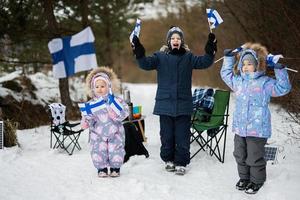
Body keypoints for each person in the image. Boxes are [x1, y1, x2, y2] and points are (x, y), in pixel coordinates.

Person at [131, 26, 217, 175]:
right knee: (167, 136)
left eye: (178, 38)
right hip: (165, 104)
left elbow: (205, 62)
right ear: (169, 41)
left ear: (182, 41)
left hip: (183, 105)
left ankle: (181, 162)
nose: (175, 40)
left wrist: (210, 48)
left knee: (182, 136)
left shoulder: (189, 57)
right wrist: (138, 49)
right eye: (173, 38)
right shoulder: (160, 57)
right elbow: (144, 64)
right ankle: (168, 160)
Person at [220, 43, 291, 194]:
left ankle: (256, 180)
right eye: (243, 64)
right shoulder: (238, 82)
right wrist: (228, 58)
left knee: (254, 156)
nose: (245, 67)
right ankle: (244, 178)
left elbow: (282, 88)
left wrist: (280, 70)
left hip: (258, 129)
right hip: (240, 128)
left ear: (257, 65)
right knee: (240, 155)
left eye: (249, 64)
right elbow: (226, 75)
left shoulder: (265, 83)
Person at [80, 66, 129, 178]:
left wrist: (116, 113)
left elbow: (125, 111)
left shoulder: (116, 100)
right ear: (93, 88)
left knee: (115, 149)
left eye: (103, 86)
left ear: (109, 86)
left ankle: (115, 168)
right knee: (98, 150)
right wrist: (86, 120)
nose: (100, 89)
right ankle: (101, 168)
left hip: (115, 131)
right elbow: (86, 115)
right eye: (97, 87)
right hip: (97, 133)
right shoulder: (91, 103)